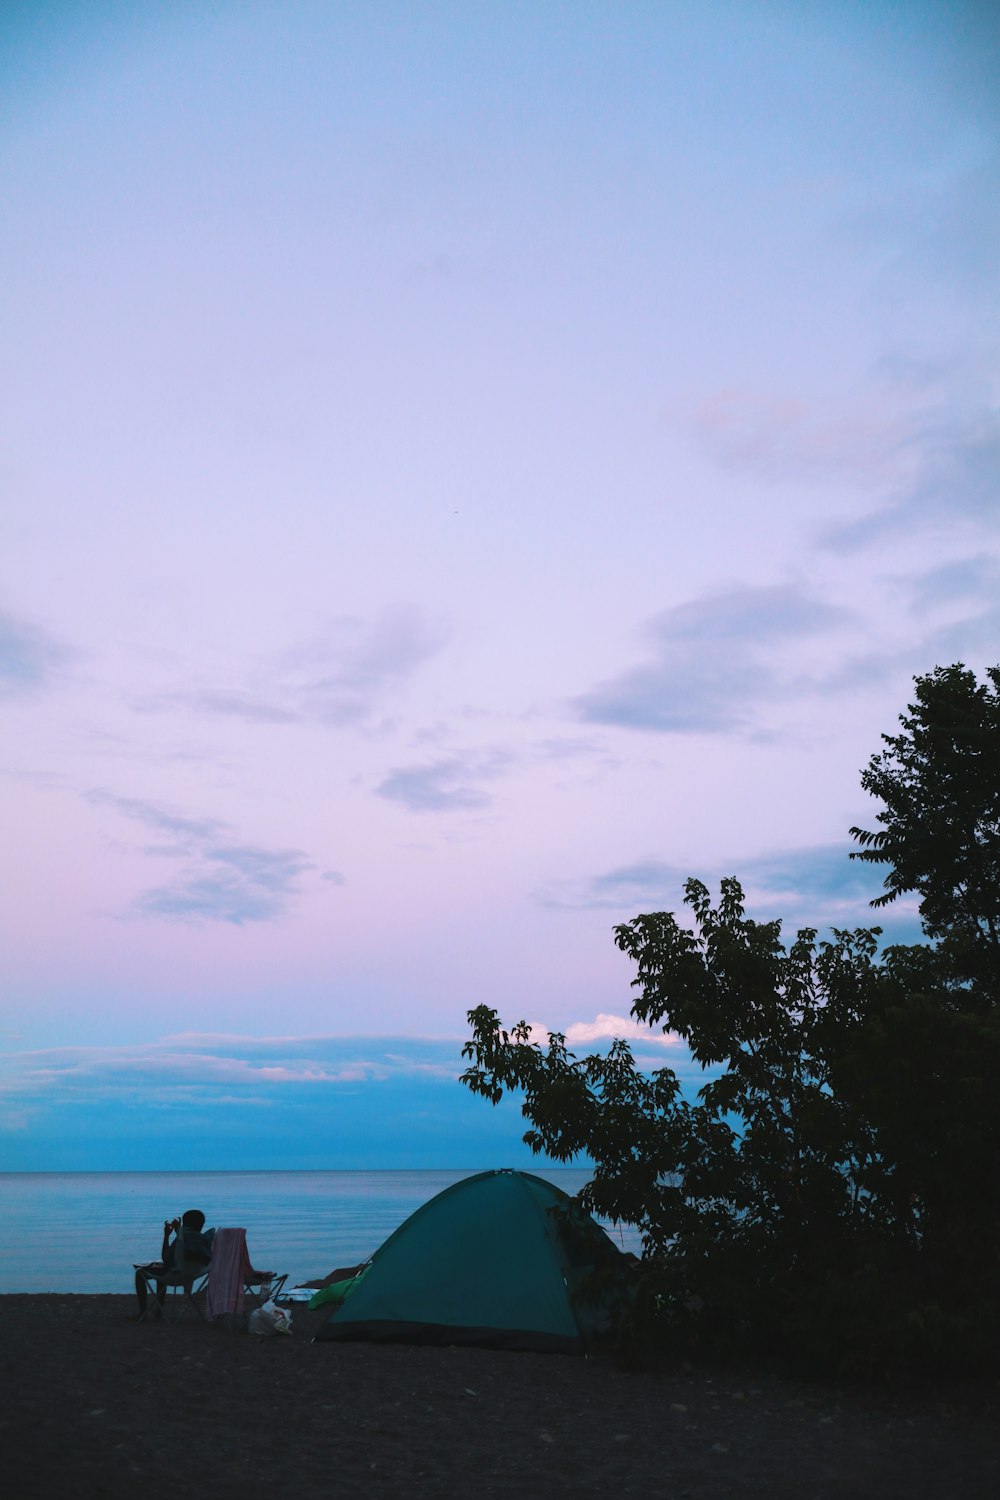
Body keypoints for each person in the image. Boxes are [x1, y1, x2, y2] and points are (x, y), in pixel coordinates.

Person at [133, 1208, 215, 1319]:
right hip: (195, 1274)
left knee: (140, 1273)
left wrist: (166, 1236)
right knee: (163, 1269)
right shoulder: (205, 1239)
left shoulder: (181, 1239)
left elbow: (166, 1257)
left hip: (176, 1276)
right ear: (201, 1225)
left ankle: (143, 1312)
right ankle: (158, 1312)